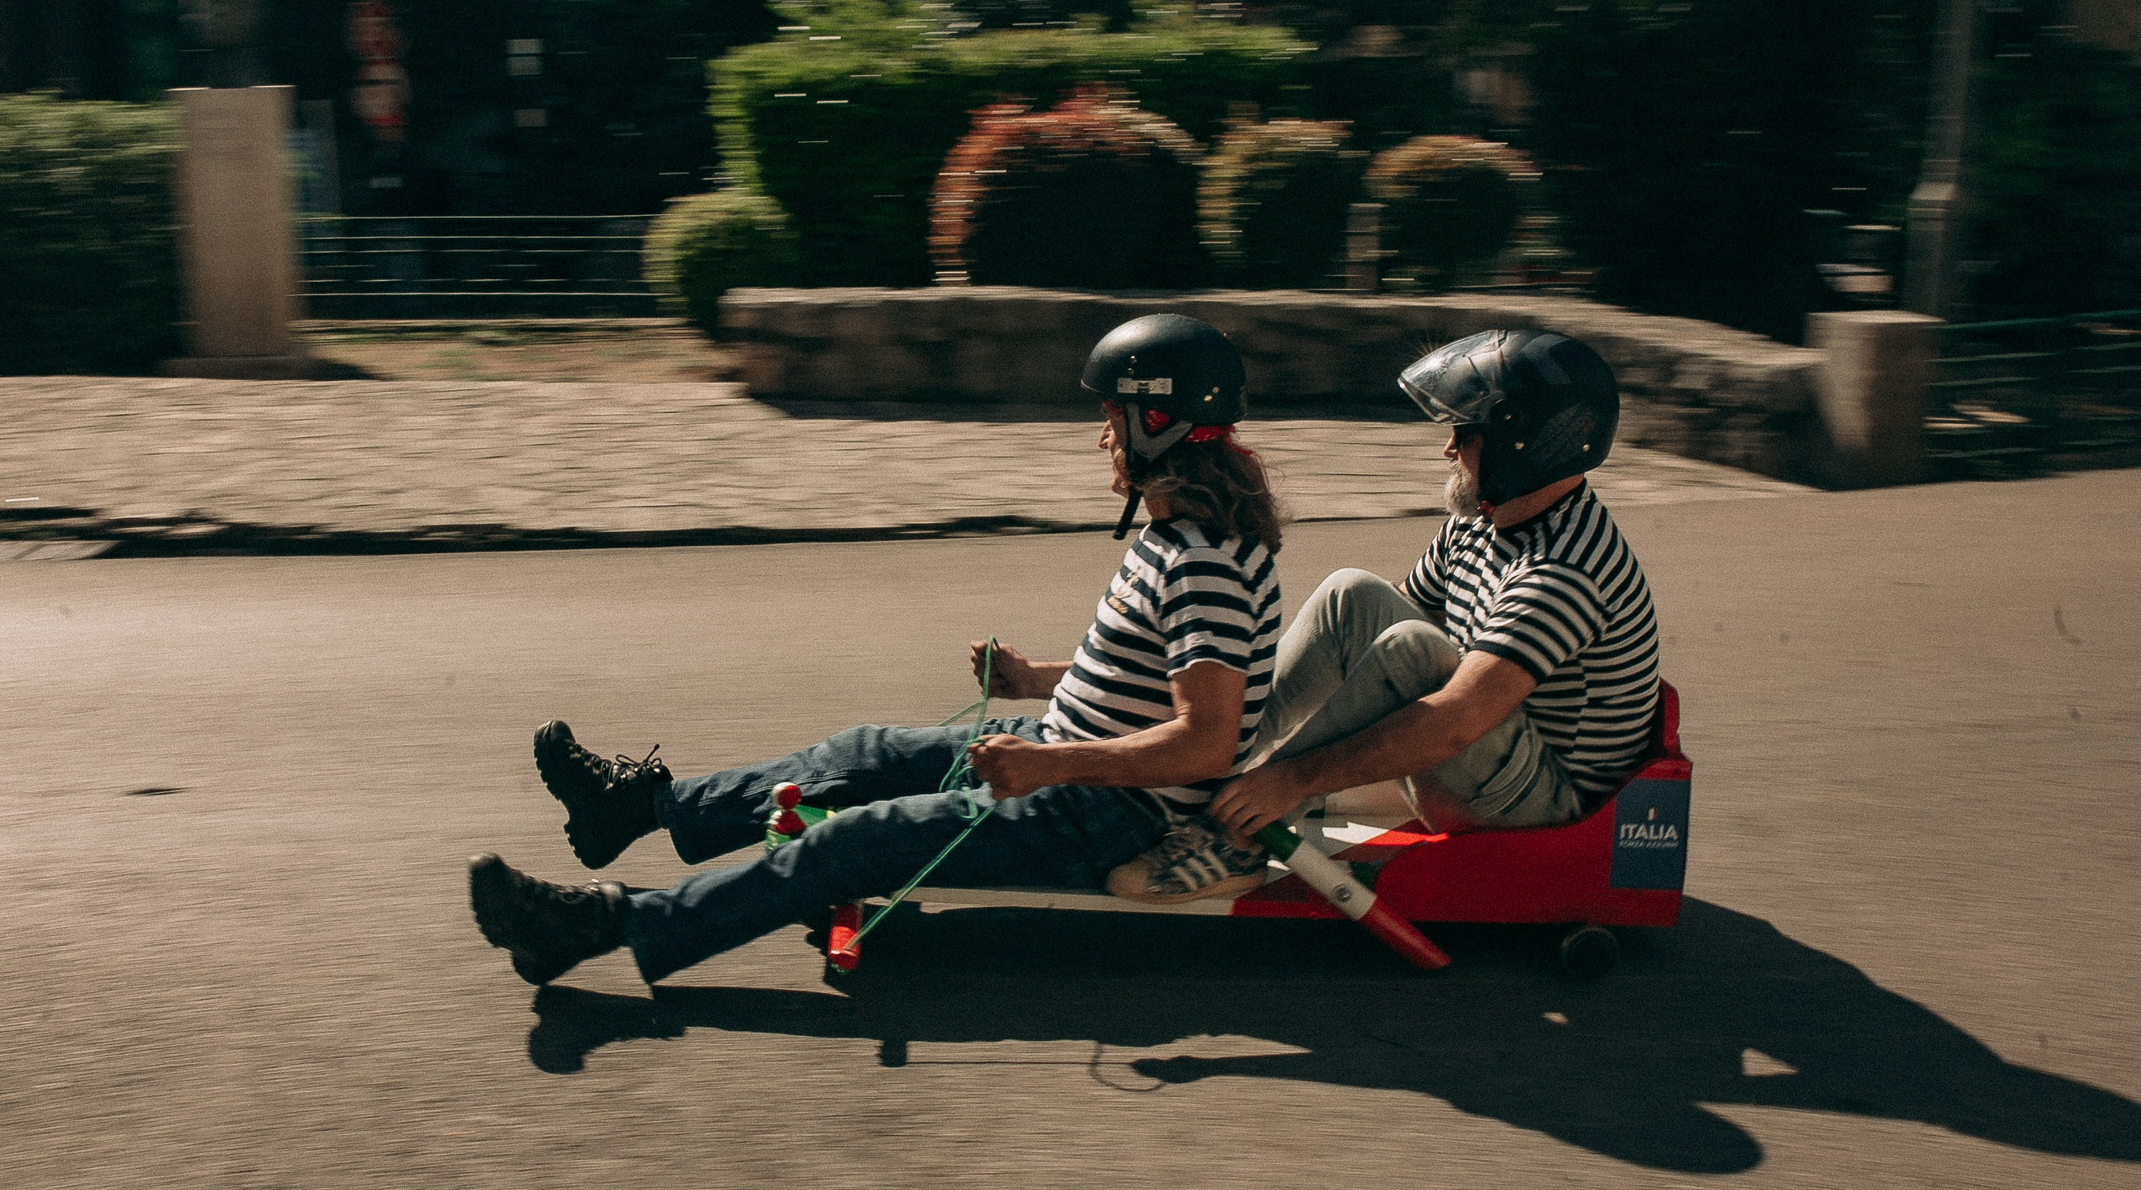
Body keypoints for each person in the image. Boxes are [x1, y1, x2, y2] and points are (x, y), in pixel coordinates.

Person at [466, 313, 1287, 986]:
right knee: (857, 754)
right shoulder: (1177, 539)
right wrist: (1036, 678)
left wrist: (1051, 766)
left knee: (846, 841)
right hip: (1065, 759)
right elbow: (1146, 675)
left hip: (1105, 813)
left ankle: (602, 924)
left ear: (1158, 422)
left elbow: (1206, 739)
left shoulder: (1202, 560)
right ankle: (640, 808)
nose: (1101, 437)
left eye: (1112, 417)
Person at [1110, 326, 1662, 904]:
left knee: (1414, 654)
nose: (1448, 448)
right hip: (1490, 758)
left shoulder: (1563, 572)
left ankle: (1236, 836)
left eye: (1465, 433)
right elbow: (1378, 627)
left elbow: (1452, 718)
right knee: (1352, 593)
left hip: (1547, 807)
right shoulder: (1481, 521)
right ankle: (1216, 772)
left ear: (1527, 442)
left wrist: (1294, 778)